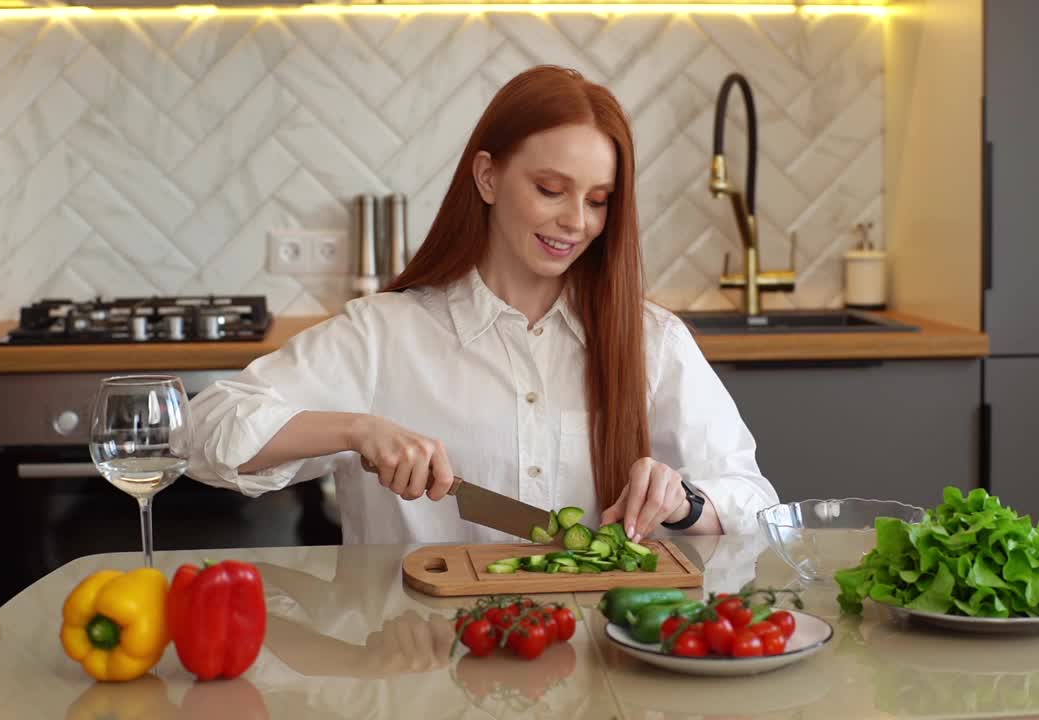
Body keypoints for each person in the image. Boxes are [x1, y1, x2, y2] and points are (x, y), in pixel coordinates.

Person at [186, 65, 778, 546]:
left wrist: (683, 502)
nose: (576, 221)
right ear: (488, 178)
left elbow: (756, 502)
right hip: (417, 666)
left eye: (598, 201)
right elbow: (203, 433)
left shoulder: (653, 340)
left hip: (604, 664)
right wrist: (354, 429)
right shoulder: (381, 336)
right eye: (550, 190)